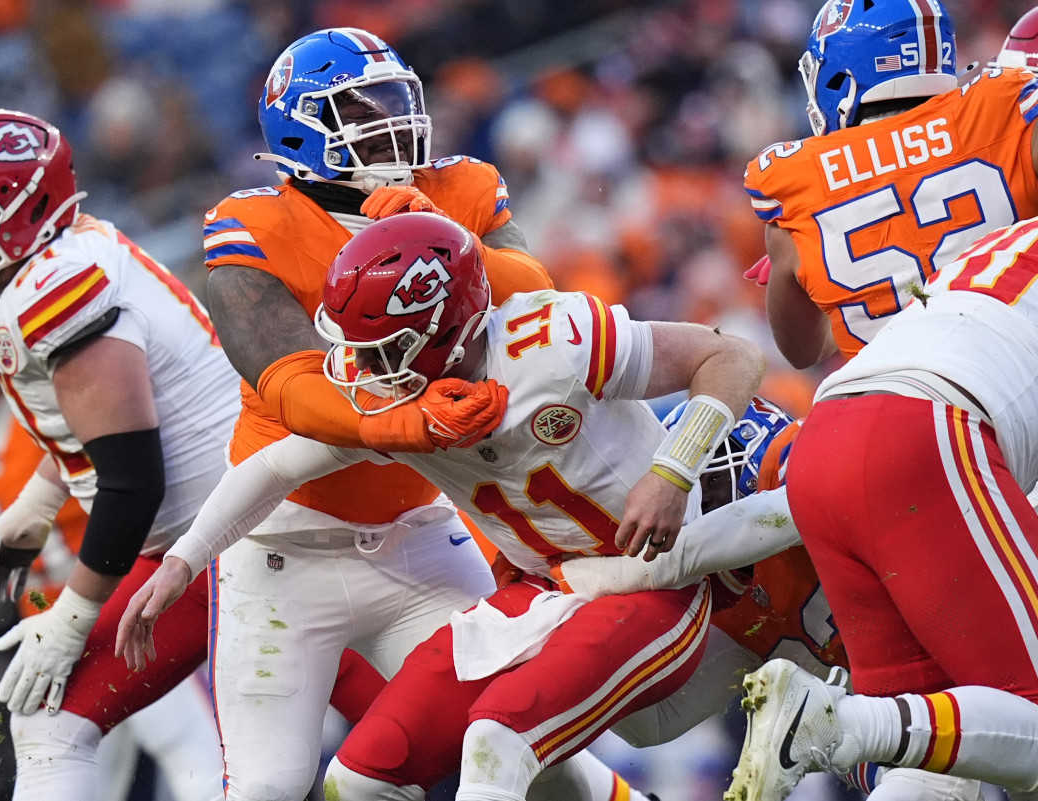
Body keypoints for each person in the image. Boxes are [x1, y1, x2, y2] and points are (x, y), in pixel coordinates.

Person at [117, 211, 767, 801]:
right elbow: (277, 464)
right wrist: (182, 561)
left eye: (376, 348)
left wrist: (672, 470)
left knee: (497, 742)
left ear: (441, 331)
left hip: (650, 583)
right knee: (361, 777)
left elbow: (730, 354)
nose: (356, 367)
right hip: (540, 593)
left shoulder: (557, 340)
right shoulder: (394, 401)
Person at [196, 26, 628, 801]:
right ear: (298, 128)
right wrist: (384, 426)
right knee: (266, 786)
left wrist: (450, 234)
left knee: (545, 753)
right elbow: (288, 384)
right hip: (282, 550)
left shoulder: (458, 186)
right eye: (358, 108)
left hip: (421, 539)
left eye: (395, 101)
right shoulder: (256, 224)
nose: (389, 122)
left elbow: (538, 300)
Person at [0, 107, 243, 801]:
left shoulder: (59, 291)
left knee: (265, 765)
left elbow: (132, 481)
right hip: (212, 538)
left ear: (29, 203)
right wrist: (37, 503)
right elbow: (111, 428)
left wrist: (73, 616)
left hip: (234, 544)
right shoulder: (61, 258)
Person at [720, 214, 1038, 801]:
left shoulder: (995, 245)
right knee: (1027, 715)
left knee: (932, 764)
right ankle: (837, 725)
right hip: (928, 429)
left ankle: (849, 728)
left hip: (827, 431)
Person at [0, 284, 223, 801]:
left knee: (188, 745)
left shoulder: (50, 396)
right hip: (41, 626)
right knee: (65, 764)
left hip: (130, 600)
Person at [558, 399, 985, 801]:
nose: (689, 502)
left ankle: (843, 742)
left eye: (704, 480)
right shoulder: (720, 585)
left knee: (954, 774)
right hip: (861, 676)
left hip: (951, 646)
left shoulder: (793, 462)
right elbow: (651, 721)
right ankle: (840, 745)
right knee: (645, 719)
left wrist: (614, 576)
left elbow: (772, 517)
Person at [744, 0, 1038, 369]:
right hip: (1010, 375)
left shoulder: (798, 185)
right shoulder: (1005, 108)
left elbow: (801, 352)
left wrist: (805, 265)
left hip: (878, 397)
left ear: (841, 75)